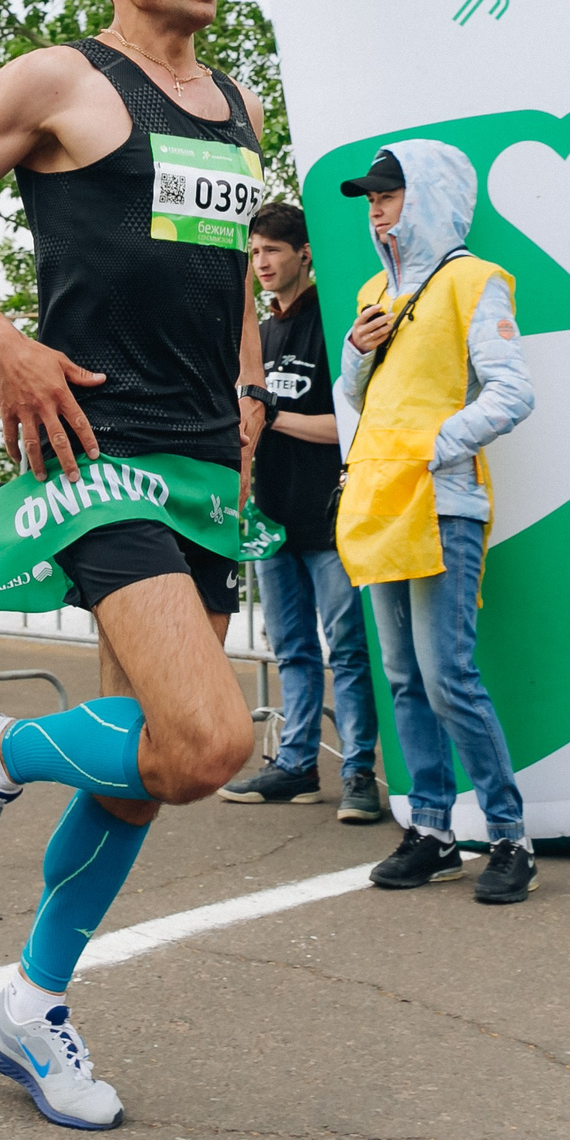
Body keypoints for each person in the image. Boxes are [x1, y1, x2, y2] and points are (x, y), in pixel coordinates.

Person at [0, 0, 266, 1132]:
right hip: (100, 454)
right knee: (212, 743)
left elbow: (230, 282)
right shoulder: (60, 79)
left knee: (146, 767)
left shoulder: (234, 106)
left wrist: (252, 407)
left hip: (208, 463)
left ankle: (29, 1007)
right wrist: (1, 342)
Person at [333, 141, 540, 905]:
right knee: (402, 677)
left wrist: (435, 447)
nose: (376, 206)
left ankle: (511, 836)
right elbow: (357, 397)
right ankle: (432, 831)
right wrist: (355, 354)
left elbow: (514, 391)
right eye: (369, 198)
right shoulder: (371, 293)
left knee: (448, 676)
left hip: (443, 501)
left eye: (388, 193)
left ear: (427, 195)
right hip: (382, 502)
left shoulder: (475, 280)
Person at [219, 200, 381, 822]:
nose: (262, 262)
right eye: (254, 252)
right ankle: (297, 765)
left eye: (273, 251)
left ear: (303, 254)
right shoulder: (262, 332)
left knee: (347, 648)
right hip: (271, 518)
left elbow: (350, 426)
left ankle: (360, 771)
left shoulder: (331, 319)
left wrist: (270, 413)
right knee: (292, 650)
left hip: (331, 516)